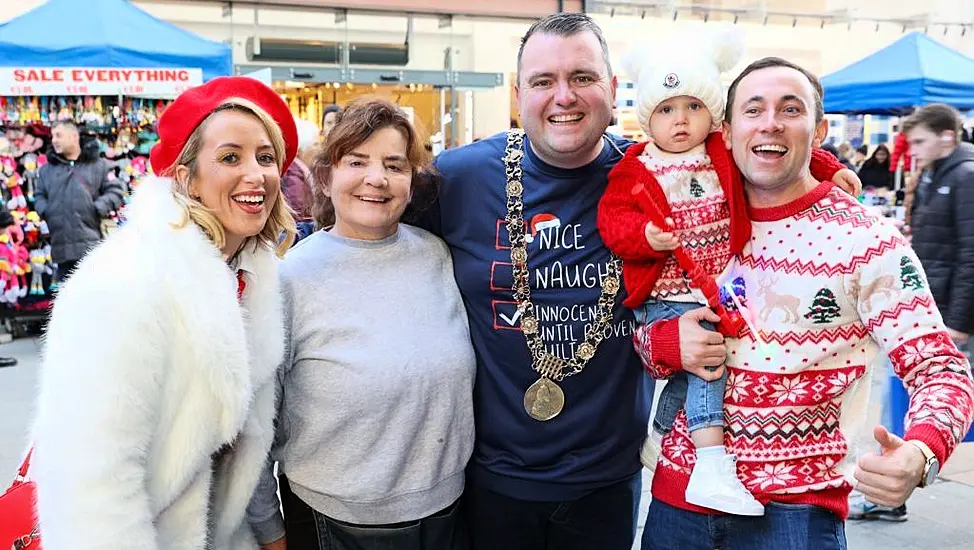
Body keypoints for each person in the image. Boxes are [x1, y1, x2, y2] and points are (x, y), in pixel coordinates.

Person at [426, 12, 864, 550]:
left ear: (613, 90)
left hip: (609, 480)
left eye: (583, 78)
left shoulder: (656, 170)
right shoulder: (461, 176)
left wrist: (823, 166)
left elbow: (754, 155)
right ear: (519, 94)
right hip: (491, 479)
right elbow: (378, 235)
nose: (564, 96)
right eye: (544, 81)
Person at [634, 57, 974, 550]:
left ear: (818, 131)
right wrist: (667, 343)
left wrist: (920, 452)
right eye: (754, 109)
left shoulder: (867, 240)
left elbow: (940, 368)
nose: (770, 122)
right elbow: (640, 333)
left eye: (789, 109)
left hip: (795, 517)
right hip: (678, 504)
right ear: (727, 132)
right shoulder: (688, 223)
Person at [30, 76, 298, 550]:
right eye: (230, 157)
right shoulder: (124, 281)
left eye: (266, 156)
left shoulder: (253, 275)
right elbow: (90, 487)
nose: (256, 175)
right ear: (185, 175)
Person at [597, 27, 847, 517]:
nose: (681, 120)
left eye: (693, 107)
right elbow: (613, 220)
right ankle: (712, 463)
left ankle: (662, 434)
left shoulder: (720, 150)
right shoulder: (635, 165)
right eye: (666, 110)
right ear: (648, 117)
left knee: (702, 366)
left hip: (717, 279)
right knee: (711, 360)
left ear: (713, 114)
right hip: (666, 290)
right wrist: (644, 238)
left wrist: (828, 168)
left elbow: (776, 148)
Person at [247, 98, 475, 550]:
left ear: (411, 183)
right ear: (327, 178)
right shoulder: (290, 277)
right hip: (335, 523)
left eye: (395, 165)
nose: (377, 178)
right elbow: (256, 421)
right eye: (357, 162)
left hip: (448, 512)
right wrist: (270, 530)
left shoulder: (437, 255)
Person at [903, 104, 974, 349]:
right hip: (933, 304)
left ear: (947, 137)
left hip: (953, 315)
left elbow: (971, 254)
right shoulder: (932, 175)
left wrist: (958, 321)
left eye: (920, 142)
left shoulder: (967, 176)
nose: (912, 151)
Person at [33, 121, 124, 280]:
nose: (54, 140)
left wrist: (97, 208)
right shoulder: (47, 170)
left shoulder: (99, 165)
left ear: (74, 136)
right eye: (53, 136)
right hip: (60, 246)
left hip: (91, 244)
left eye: (59, 135)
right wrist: (46, 211)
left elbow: (116, 190)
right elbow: (39, 195)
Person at [283, 116, 317, 241]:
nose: (318, 149)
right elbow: (298, 213)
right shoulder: (293, 173)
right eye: (315, 144)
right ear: (302, 148)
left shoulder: (302, 169)